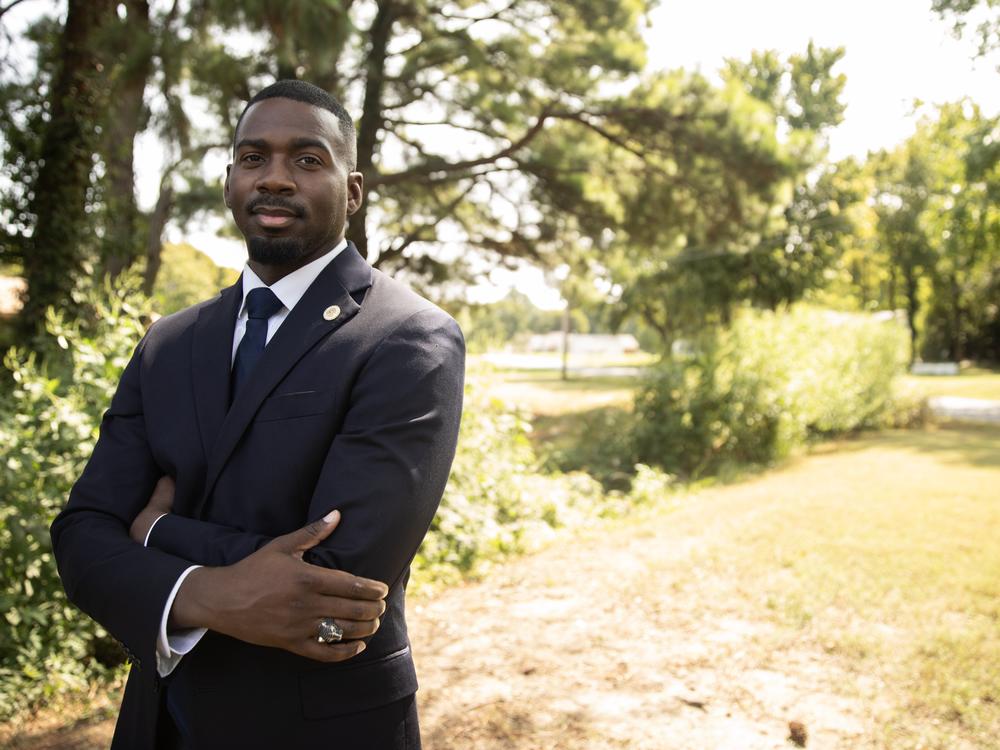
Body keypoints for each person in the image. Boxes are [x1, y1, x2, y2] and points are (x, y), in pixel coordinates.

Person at [50, 79, 465, 749]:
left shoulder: (408, 337)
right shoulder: (169, 342)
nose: (274, 178)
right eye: (253, 158)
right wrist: (207, 593)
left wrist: (156, 531)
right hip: (160, 723)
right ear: (229, 181)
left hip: (321, 727)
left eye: (307, 159)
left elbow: (337, 579)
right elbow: (81, 535)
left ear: (352, 190)